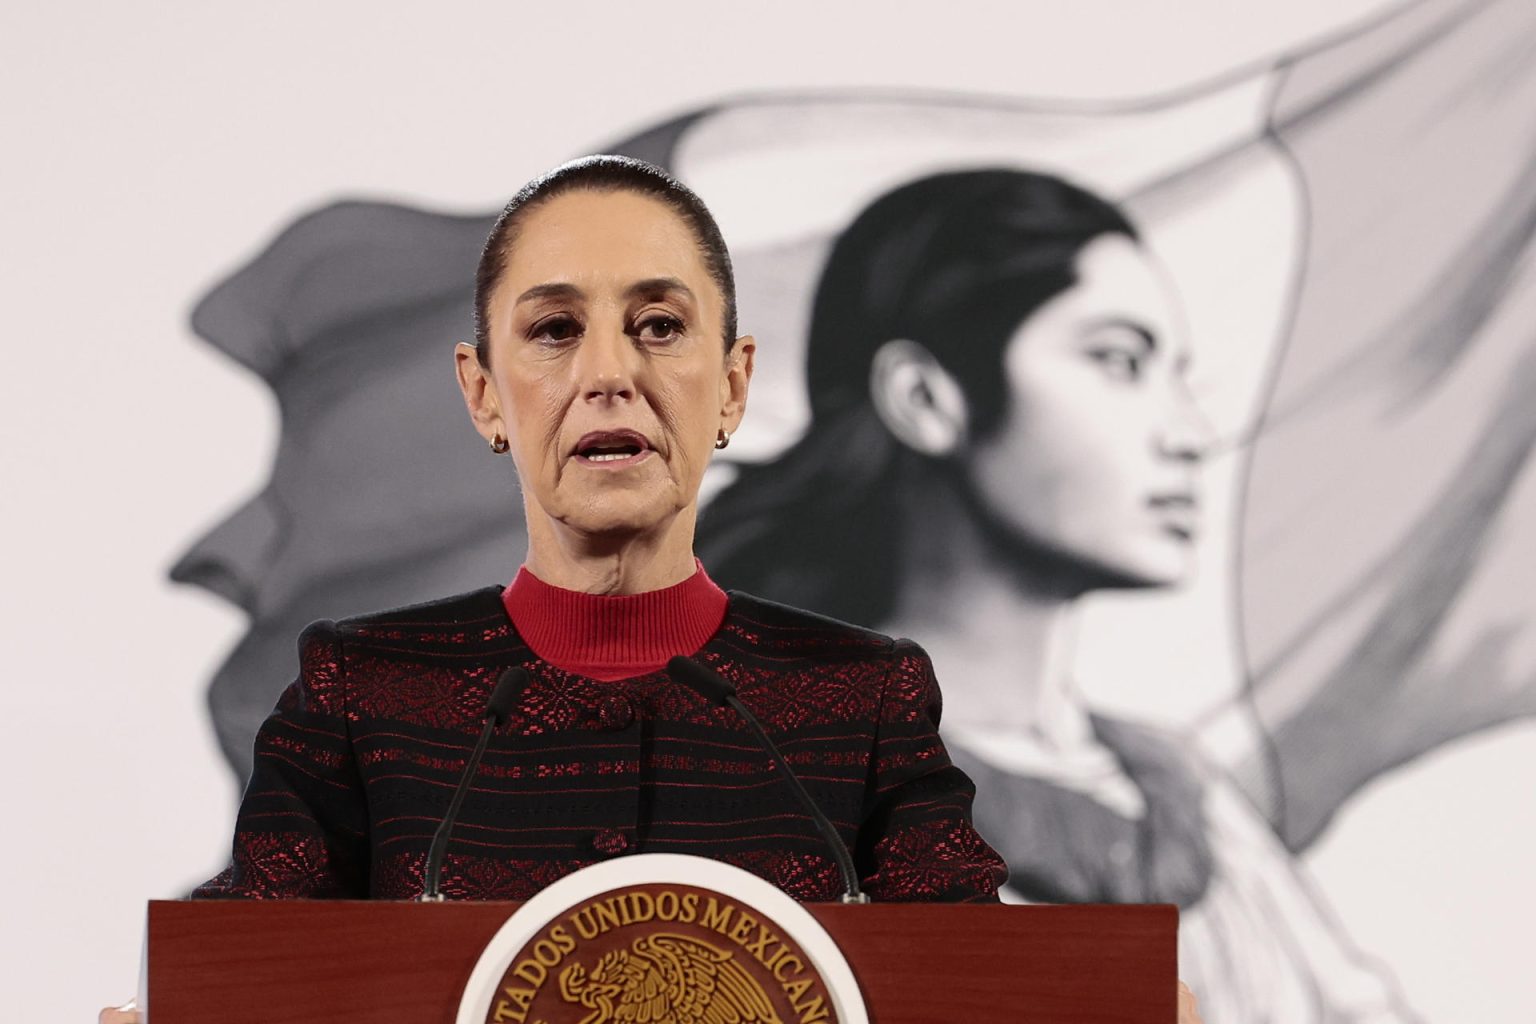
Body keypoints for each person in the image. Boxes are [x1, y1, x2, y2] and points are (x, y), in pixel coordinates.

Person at [101, 156, 1203, 1024]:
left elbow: (984, 980)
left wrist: (1114, 1001)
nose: (608, 373)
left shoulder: (866, 699)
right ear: (485, 396)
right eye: (553, 330)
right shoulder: (360, 693)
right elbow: (240, 969)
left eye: (661, 326)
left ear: (731, 388)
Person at [699, 169, 1415, 1023]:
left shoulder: (1182, 794)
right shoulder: (788, 795)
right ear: (926, 400)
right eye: (1118, 361)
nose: (1188, 434)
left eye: (1175, 374)